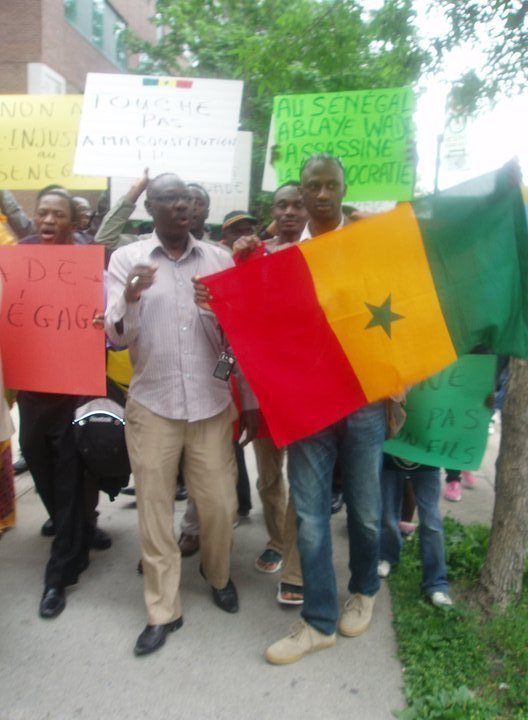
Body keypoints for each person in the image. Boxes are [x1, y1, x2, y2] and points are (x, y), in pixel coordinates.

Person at [105, 173, 259, 657]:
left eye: (188, 200)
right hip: (153, 404)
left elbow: (238, 342)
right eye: (169, 199)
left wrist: (217, 314)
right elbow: (117, 337)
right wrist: (130, 296)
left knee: (218, 506)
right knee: (153, 511)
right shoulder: (127, 260)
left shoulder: (218, 259)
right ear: (150, 207)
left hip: (211, 406)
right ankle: (162, 609)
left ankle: (217, 575)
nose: (182, 206)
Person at [265, 154, 387, 665]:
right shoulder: (284, 255)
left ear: (343, 188)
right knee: (311, 516)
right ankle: (317, 621)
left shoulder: (371, 243)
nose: (319, 194)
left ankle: (363, 589)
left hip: (362, 399)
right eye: (311, 185)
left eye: (329, 184)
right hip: (310, 404)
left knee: (363, 509)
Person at [17, 189, 92, 618]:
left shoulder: (88, 259)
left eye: (57, 214)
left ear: (71, 222)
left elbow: (110, 313)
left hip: (73, 386)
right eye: (42, 212)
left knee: (68, 472)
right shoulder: (17, 256)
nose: (48, 219)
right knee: (38, 459)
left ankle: (60, 572)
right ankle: (79, 528)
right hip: (32, 386)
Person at [230, 183, 307, 601]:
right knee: (269, 476)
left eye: (299, 204)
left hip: (310, 387)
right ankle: (278, 541)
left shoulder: (326, 249)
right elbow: (235, 319)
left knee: (306, 476)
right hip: (263, 388)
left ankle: (293, 558)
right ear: (273, 211)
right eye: (283, 205)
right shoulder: (253, 254)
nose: (291, 211)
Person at [378, 454, 453, 607]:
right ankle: (388, 554)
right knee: (387, 513)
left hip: (427, 456)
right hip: (392, 455)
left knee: (431, 521)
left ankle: (436, 583)